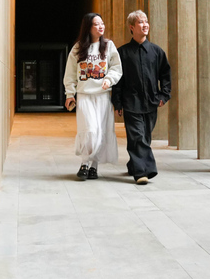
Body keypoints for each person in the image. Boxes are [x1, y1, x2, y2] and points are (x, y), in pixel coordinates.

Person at [112, 10, 171, 185]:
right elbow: (117, 79)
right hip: (131, 102)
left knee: (144, 137)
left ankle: (133, 164)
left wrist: (164, 95)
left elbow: (165, 75)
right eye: (141, 22)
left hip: (151, 102)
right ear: (132, 27)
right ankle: (143, 171)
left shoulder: (156, 52)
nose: (145, 25)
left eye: (146, 21)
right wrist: (117, 102)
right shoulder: (122, 53)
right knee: (137, 137)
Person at [64, 13, 123, 180]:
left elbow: (117, 68)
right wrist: (70, 94)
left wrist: (109, 80)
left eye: (102, 23)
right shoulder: (78, 48)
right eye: (97, 24)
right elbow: (70, 75)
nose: (101, 27)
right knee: (90, 130)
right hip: (84, 96)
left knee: (101, 131)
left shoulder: (109, 46)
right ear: (88, 28)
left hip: (103, 96)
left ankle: (93, 167)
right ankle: (84, 163)